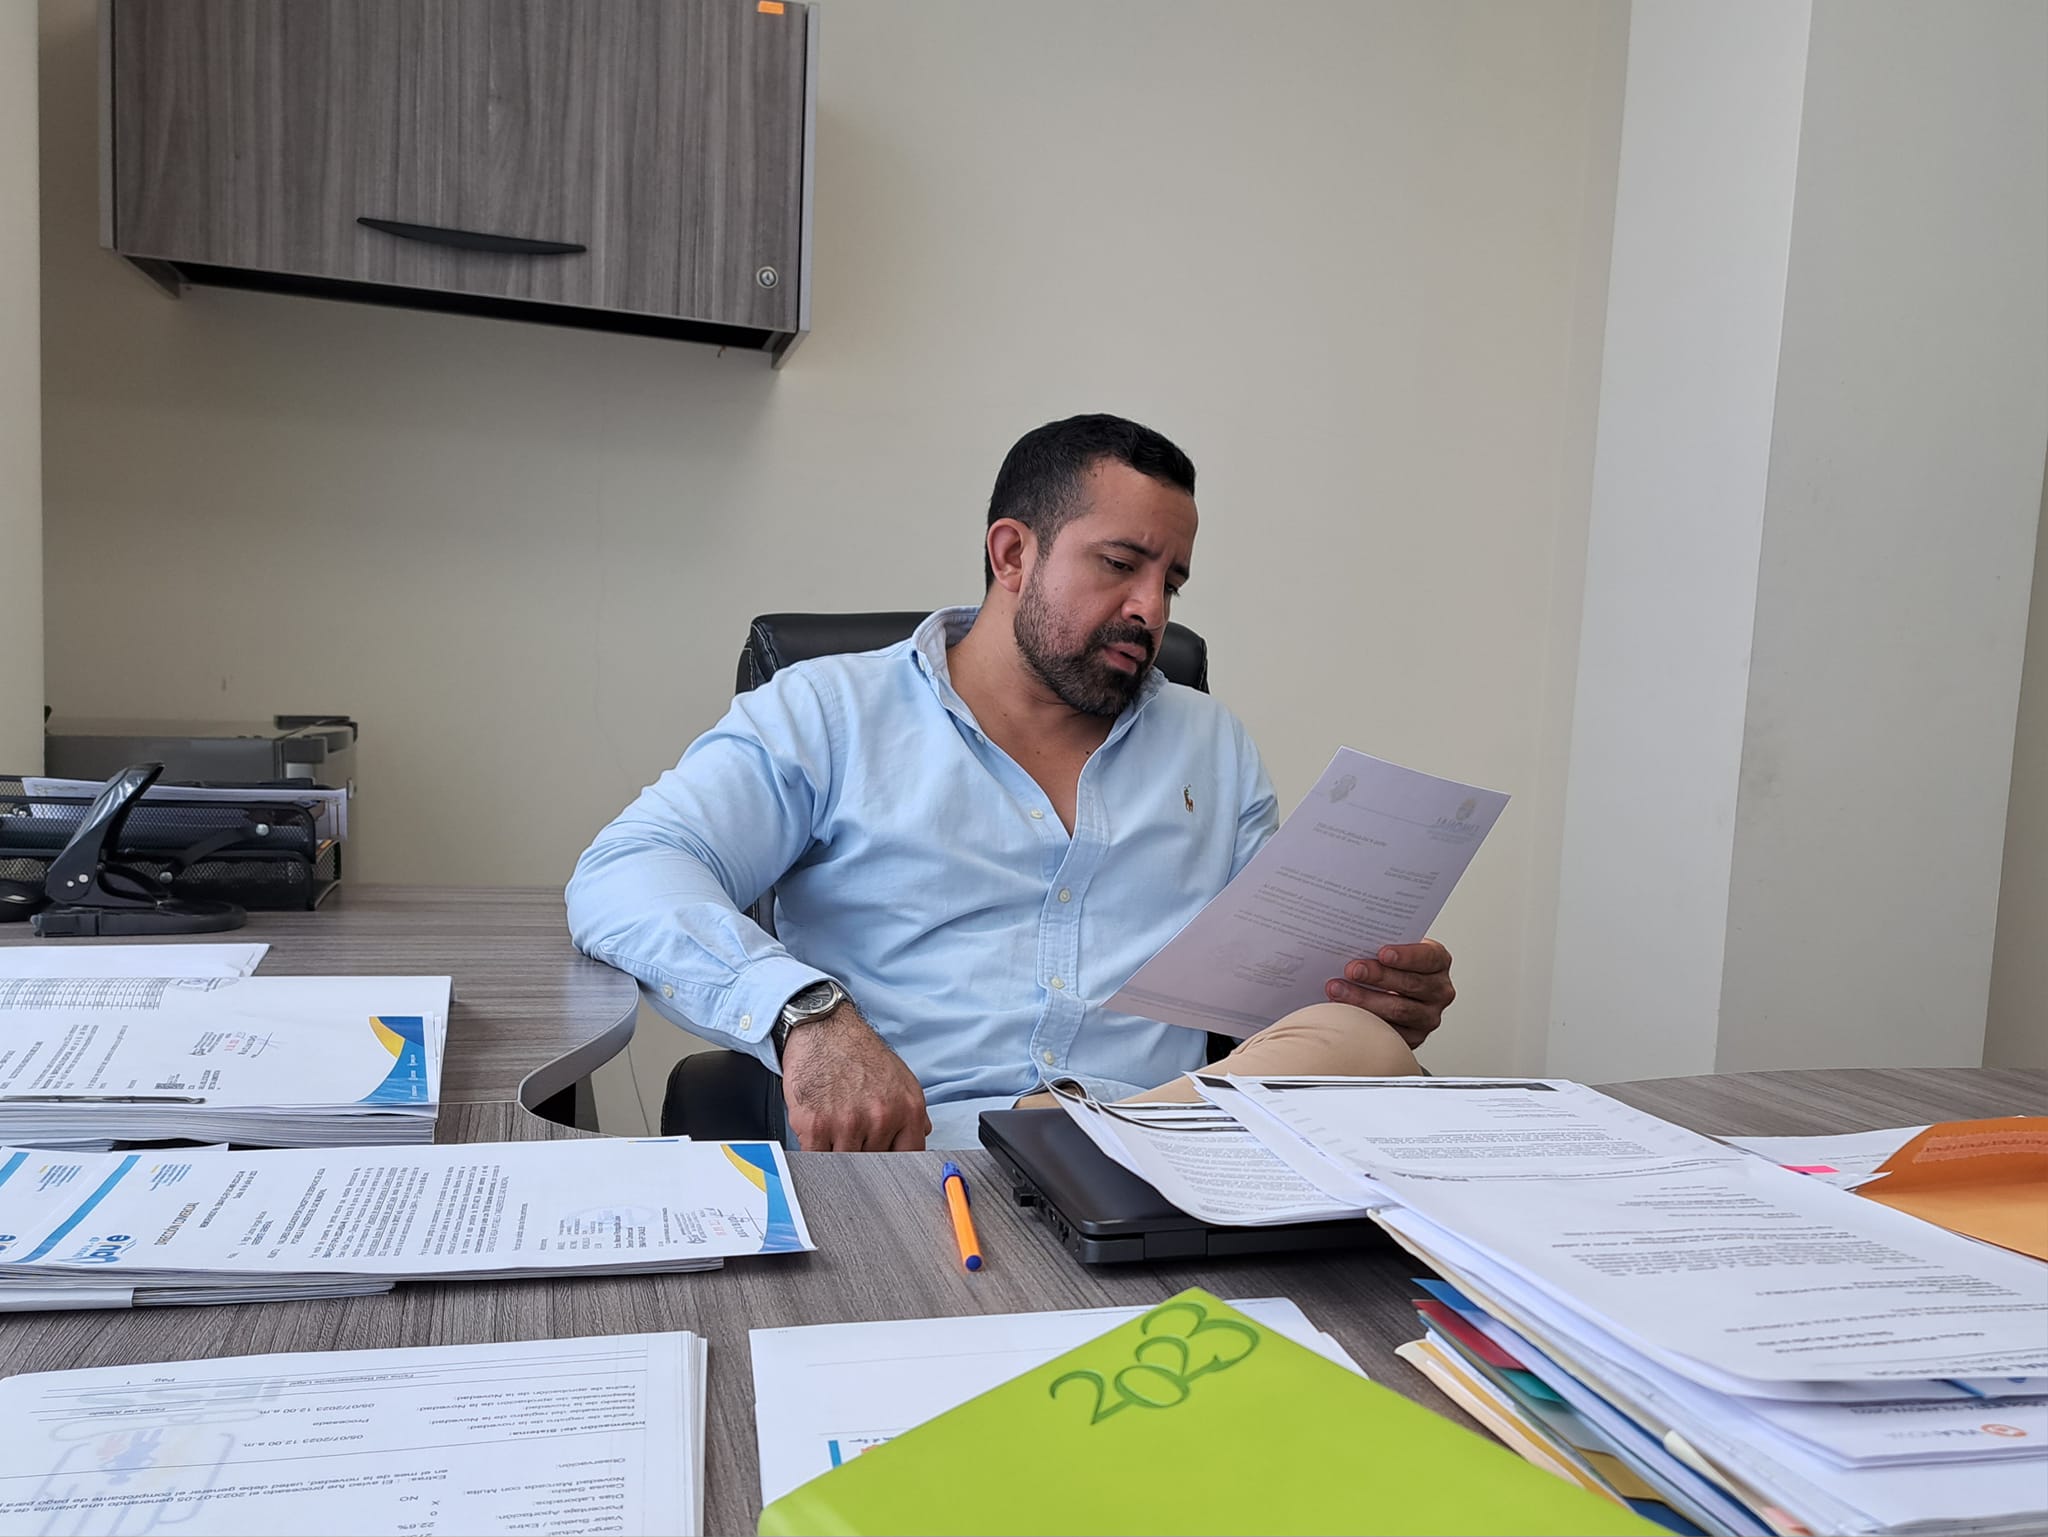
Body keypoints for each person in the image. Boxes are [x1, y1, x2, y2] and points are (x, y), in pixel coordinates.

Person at [567, 414, 1455, 1151]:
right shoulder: (830, 712)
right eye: (1121, 564)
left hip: (1175, 1150)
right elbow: (627, 871)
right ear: (1012, 554)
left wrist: (1363, 994)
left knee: (1359, 1044)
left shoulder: (1212, 745)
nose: (1151, 609)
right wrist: (806, 1011)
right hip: (931, 1161)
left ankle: (1111, 1147)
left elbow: (1263, 996)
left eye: (1171, 582)